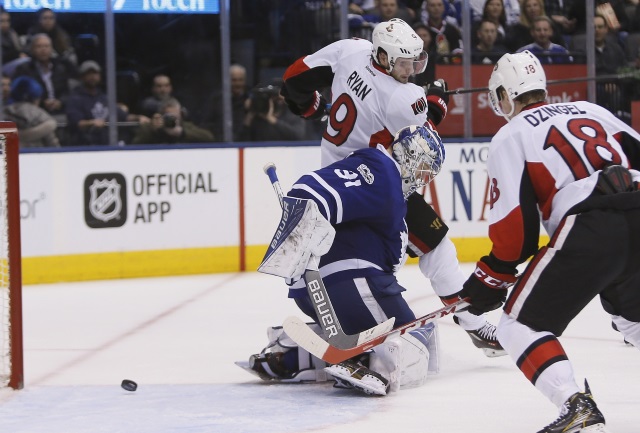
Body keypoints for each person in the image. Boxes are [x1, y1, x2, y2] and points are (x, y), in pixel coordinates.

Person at [280, 18, 505, 358]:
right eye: (404, 63)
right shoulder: (405, 96)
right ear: (383, 57)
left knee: (376, 252)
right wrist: (437, 106)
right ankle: (470, 319)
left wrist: (309, 106)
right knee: (433, 245)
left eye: (416, 61)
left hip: (335, 178)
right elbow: (420, 147)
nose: (412, 69)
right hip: (375, 184)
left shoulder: (350, 50)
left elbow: (294, 78)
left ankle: (334, 323)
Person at [459, 50, 640, 432]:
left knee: (517, 325)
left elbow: (515, 235)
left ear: (504, 95)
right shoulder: (593, 110)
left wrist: (489, 281)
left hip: (592, 223)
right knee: (633, 320)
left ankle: (576, 406)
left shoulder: (511, 134)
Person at [245, 124, 446, 395]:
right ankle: (369, 364)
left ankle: (289, 356)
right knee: (417, 342)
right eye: (422, 165)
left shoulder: (390, 192)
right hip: (354, 284)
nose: (422, 176)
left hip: (315, 291)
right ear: (407, 153)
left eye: (428, 172)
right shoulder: (382, 169)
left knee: (355, 333)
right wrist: (303, 217)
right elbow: (311, 189)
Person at [65, 60, 148, 146]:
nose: (93, 77)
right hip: (86, 145)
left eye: (95, 73)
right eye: (89, 74)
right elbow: (77, 123)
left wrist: (138, 117)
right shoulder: (75, 98)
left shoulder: (104, 97)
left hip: (108, 143)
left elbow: (123, 116)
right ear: (82, 77)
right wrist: (92, 123)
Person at [11, 33, 76, 117]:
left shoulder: (60, 68)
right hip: (34, 112)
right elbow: (19, 94)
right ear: (33, 49)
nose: (43, 50)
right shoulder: (24, 69)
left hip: (59, 110)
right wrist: (42, 102)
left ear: (51, 49)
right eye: (39, 46)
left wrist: (60, 102)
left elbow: (67, 92)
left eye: (46, 46)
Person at [3, 76, 60, 148]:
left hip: (11, 154)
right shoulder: (40, 115)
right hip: (39, 154)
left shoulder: (5, 112)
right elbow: (53, 145)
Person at [132, 97, 213, 144]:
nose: (173, 119)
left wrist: (181, 133)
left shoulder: (185, 126)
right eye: (169, 116)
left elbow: (209, 137)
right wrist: (153, 130)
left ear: (180, 114)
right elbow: (135, 144)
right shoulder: (150, 127)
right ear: (162, 115)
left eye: (176, 116)